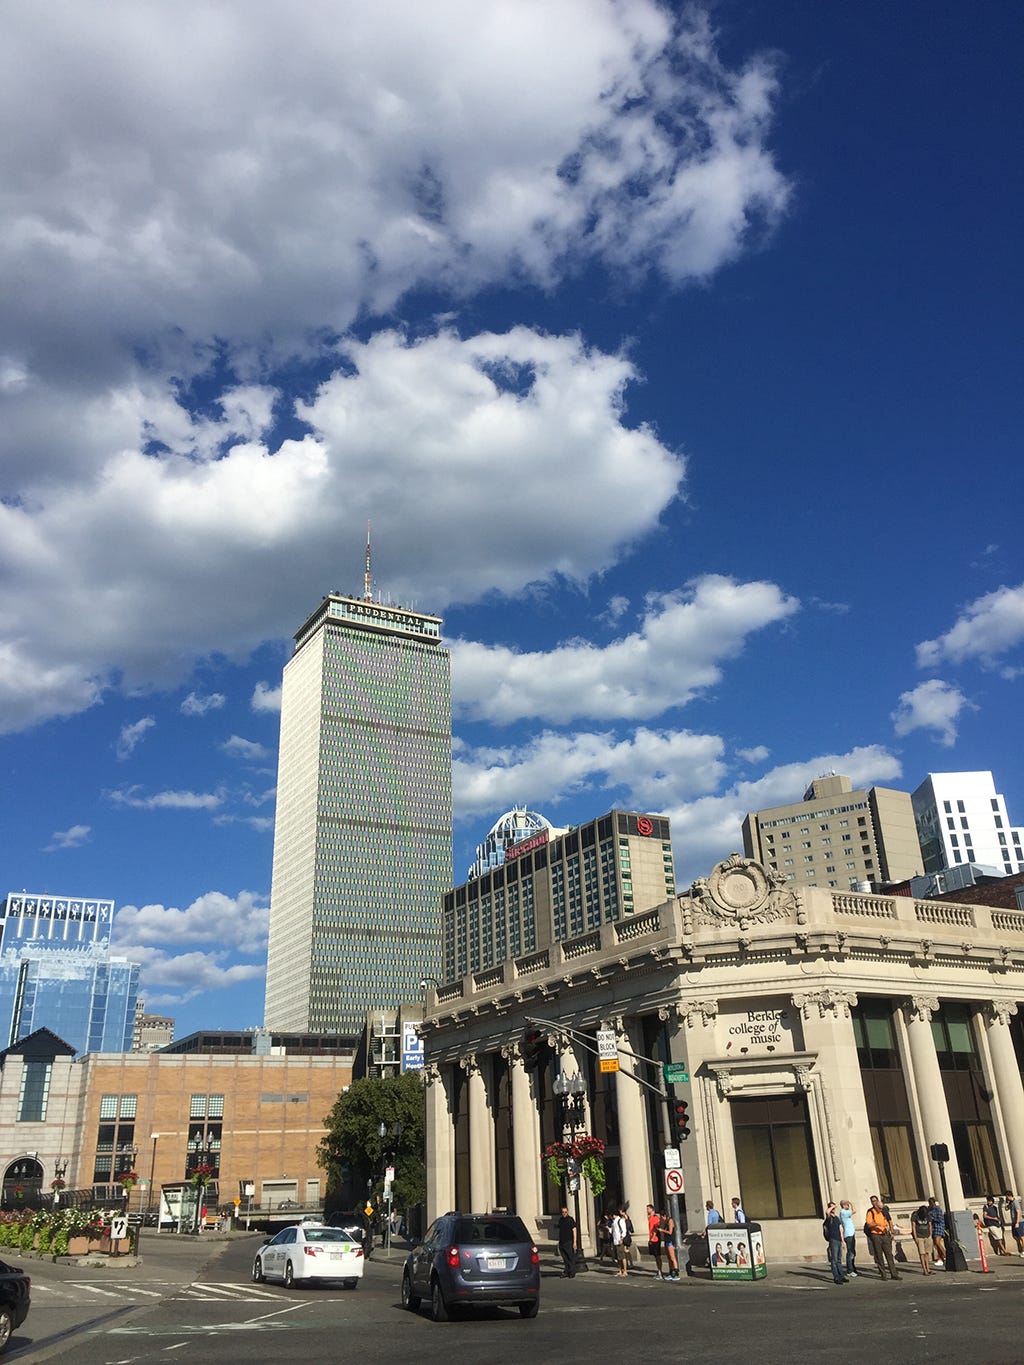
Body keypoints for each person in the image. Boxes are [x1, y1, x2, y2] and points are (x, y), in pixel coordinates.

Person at [865, 1194, 901, 1280]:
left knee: (889, 1254)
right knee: (879, 1255)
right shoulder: (870, 1212)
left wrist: (892, 1232)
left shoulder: (884, 1211)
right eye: (879, 1208)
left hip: (885, 1234)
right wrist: (877, 1224)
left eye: (881, 1208)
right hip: (876, 1235)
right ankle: (883, 1274)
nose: (881, 1209)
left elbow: (890, 1221)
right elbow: (869, 1224)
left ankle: (894, 1274)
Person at [823, 1202, 848, 1284]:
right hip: (833, 1239)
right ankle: (836, 1277)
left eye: (834, 1208)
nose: (833, 1209)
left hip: (838, 1239)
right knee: (834, 1260)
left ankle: (841, 1276)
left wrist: (843, 1241)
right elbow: (827, 1212)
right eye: (832, 1207)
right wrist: (832, 1207)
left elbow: (840, 1229)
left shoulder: (837, 1218)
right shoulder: (829, 1217)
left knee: (839, 1259)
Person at [910, 1204, 934, 1275]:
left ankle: (928, 1268)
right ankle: (924, 1270)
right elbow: (913, 1226)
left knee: (927, 1253)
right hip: (919, 1236)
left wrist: (930, 1235)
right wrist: (915, 1237)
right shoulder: (915, 1215)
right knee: (922, 1253)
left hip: (927, 1236)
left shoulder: (928, 1215)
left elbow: (930, 1225)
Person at [838, 1199, 858, 1277]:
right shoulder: (843, 1212)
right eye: (847, 1205)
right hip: (848, 1235)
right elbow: (855, 1211)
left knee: (852, 1252)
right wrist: (851, 1203)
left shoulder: (845, 1212)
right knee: (850, 1253)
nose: (848, 1206)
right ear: (844, 1205)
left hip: (851, 1234)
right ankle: (850, 1270)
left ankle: (853, 1268)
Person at [557, 1204, 577, 1278]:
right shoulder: (561, 1220)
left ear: (567, 1212)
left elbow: (574, 1230)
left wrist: (574, 1242)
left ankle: (572, 1272)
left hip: (569, 1241)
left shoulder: (570, 1219)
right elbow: (560, 1230)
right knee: (565, 1258)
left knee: (570, 1257)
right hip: (562, 1242)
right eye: (563, 1212)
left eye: (565, 1212)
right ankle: (566, 1271)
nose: (564, 1213)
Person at [926, 1197, 946, 1268]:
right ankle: (940, 1258)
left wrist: (933, 1218)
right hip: (933, 1227)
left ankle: (945, 1255)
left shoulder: (938, 1209)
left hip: (939, 1226)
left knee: (937, 1242)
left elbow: (940, 1219)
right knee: (935, 1244)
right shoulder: (929, 1210)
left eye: (931, 1203)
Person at [646, 1203, 664, 1278]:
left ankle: (660, 1271)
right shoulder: (650, 1218)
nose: (647, 1210)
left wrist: (653, 1237)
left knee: (657, 1255)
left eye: (648, 1209)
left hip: (655, 1239)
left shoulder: (655, 1218)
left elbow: (656, 1228)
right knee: (655, 1256)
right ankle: (658, 1270)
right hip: (652, 1238)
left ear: (652, 1209)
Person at [611, 1206, 630, 1276]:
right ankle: (620, 1270)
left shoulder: (620, 1220)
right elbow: (613, 1231)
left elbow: (624, 1230)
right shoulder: (614, 1222)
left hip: (619, 1240)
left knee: (622, 1256)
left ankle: (625, 1270)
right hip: (615, 1240)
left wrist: (621, 1238)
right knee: (618, 1257)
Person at [661, 1209, 679, 1280]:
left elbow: (670, 1232)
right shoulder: (666, 1222)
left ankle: (676, 1273)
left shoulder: (670, 1221)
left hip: (670, 1241)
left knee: (672, 1257)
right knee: (669, 1258)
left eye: (662, 1217)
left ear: (665, 1216)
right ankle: (671, 1272)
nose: (662, 1219)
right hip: (666, 1240)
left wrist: (662, 1230)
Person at [1003, 1190, 1023, 1256]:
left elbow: (1019, 1212)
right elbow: (1006, 1209)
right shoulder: (1011, 1203)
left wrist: (1017, 1222)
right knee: (1015, 1236)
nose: (1006, 1198)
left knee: (1021, 1237)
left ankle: (1023, 1250)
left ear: (1009, 1196)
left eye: (1006, 1197)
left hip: (1019, 1222)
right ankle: (1020, 1250)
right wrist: (1006, 1202)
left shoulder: (1015, 1202)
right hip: (1013, 1222)